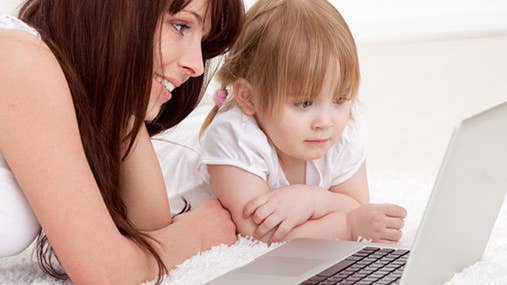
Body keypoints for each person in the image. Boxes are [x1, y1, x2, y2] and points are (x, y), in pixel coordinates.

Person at [0, 0, 244, 283]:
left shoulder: (55, 76)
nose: (196, 66)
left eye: (202, 42)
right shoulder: (16, 57)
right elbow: (105, 272)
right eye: (180, 26)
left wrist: (124, 101)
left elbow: (150, 225)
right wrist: (196, 234)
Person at [198, 0, 407, 244]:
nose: (325, 122)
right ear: (249, 97)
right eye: (304, 103)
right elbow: (260, 234)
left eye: (340, 98)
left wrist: (313, 200)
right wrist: (347, 226)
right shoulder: (234, 136)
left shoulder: (344, 131)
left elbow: (358, 204)